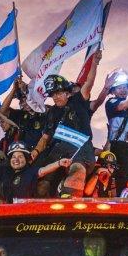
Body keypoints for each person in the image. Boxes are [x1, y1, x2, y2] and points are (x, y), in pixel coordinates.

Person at [32, 68, 99, 197]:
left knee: (77, 172)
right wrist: (35, 152)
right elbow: (45, 138)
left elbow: (89, 83)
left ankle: (70, 207)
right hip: (58, 150)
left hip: (80, 148)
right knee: (42, 183)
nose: (55, 97)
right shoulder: (52, 112)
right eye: (52, 94)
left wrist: (95, 63)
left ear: (67, 93)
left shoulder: (79, 100)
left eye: (58, 93)